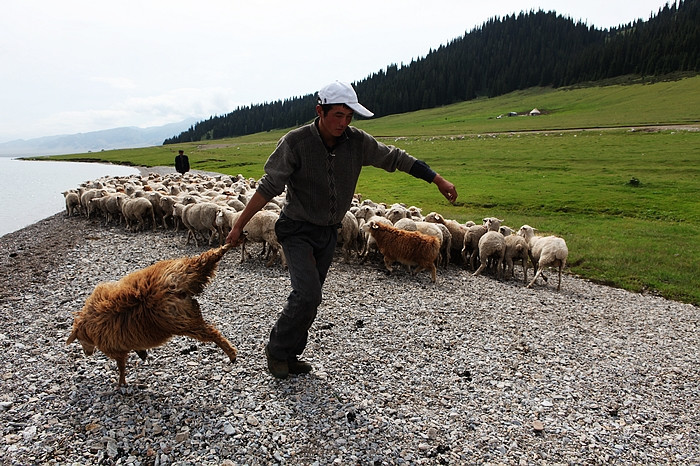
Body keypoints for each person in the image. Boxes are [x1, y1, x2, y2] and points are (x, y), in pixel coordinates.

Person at [226, 80, 457, 379]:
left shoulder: (357, 142)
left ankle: (291, 354)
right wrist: (239, 224)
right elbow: (270, 185)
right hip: (296, 229)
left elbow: (396, 157)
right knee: (307, 294)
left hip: (328, 233)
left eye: (349, 117)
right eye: (338, 115)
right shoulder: (295, 143)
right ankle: (277, 350)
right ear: (320, 111)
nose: (344, 123)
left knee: (312, 296)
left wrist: (437, 179)